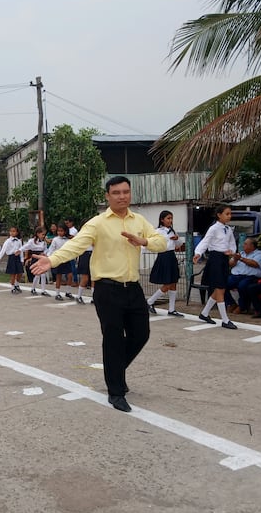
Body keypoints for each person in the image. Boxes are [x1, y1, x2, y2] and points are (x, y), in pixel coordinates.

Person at [31, 176, 167, 413]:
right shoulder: (97, 223)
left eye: (126, 192)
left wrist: (143, 240)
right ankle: (116, 391)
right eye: (116, 192)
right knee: (113, 338)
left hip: (133, 287)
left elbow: (161, 242)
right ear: (107, 196)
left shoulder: (139, 220)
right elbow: (77, 246)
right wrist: (52, 260)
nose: (122, 196)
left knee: (141, 334)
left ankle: (115, 371)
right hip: (107, 288)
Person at [193, 205, 238, 330]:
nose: (229, 216)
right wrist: (198, 253)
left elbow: (232, 244)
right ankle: (225, 320)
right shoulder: (213, 229)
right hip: (215, 259)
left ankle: (204, 313)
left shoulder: (228, 229)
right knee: (219, 288)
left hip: (224, 259)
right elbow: (205, 242)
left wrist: (231, 251)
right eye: (227, 213)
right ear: (219, 215)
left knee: (221, 289)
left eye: (230, 214)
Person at [146, 210, 184, 316]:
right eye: (168, 218)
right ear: (162, 220)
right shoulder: (158, 231)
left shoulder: (172, 231)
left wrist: (177, 239)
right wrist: (168, 238)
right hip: (164, 256)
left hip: (172, 256)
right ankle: (150, 302)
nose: (170, 220)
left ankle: (172, 309)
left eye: (171, 218)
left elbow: (178, 245)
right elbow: (155, 243)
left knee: (174, 282)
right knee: (167, 283)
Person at [225, 237, 261, 314]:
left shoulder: (260, 254)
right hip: (236, 276)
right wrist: (235, 259)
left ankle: (242, 307)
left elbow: (255, 264)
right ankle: (231, 303)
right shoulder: (241, 253)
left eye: (245, 244)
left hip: (250, 276)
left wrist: (241, 259)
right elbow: (230, 264)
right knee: (221, 284)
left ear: (252, 246)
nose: (243, 245)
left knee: (242, 286)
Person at [46, 223, 73, 301]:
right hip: (58, 259)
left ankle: (68, 291)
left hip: (66, 259)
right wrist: (49, 257)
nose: (60, 233)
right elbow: (51, 249)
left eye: (61, 231)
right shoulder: (55, 239)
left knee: (70, 275)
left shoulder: (68, 239)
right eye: (58, 231)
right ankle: (57, 293)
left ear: (65, 231)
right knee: (59, 277)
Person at [20, 227, 49, 296]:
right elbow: (26, 247)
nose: (44, 236)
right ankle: (33, 288)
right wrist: (19, 250)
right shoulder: (32, 241)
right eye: (42, 234)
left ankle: (43, 290)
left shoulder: (44, 242)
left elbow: (46, 249)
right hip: (35, 258)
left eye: (44, 234)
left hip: (41, 258)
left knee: (43, 274)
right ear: (38, 234)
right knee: (37, 274)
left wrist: (45, 253)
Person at [0, 226, 23, 293]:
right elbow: (3, 249)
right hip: (11, 257)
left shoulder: (19, 241)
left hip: (18, 258)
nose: (12, 232)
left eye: (14, 231)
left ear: (17, 232)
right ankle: (12, 287)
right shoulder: (8, 241)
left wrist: (22, 259)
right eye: (11, 231)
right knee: (13, 273)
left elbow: (21, 250)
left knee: (20, 272)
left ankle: (17, 284)